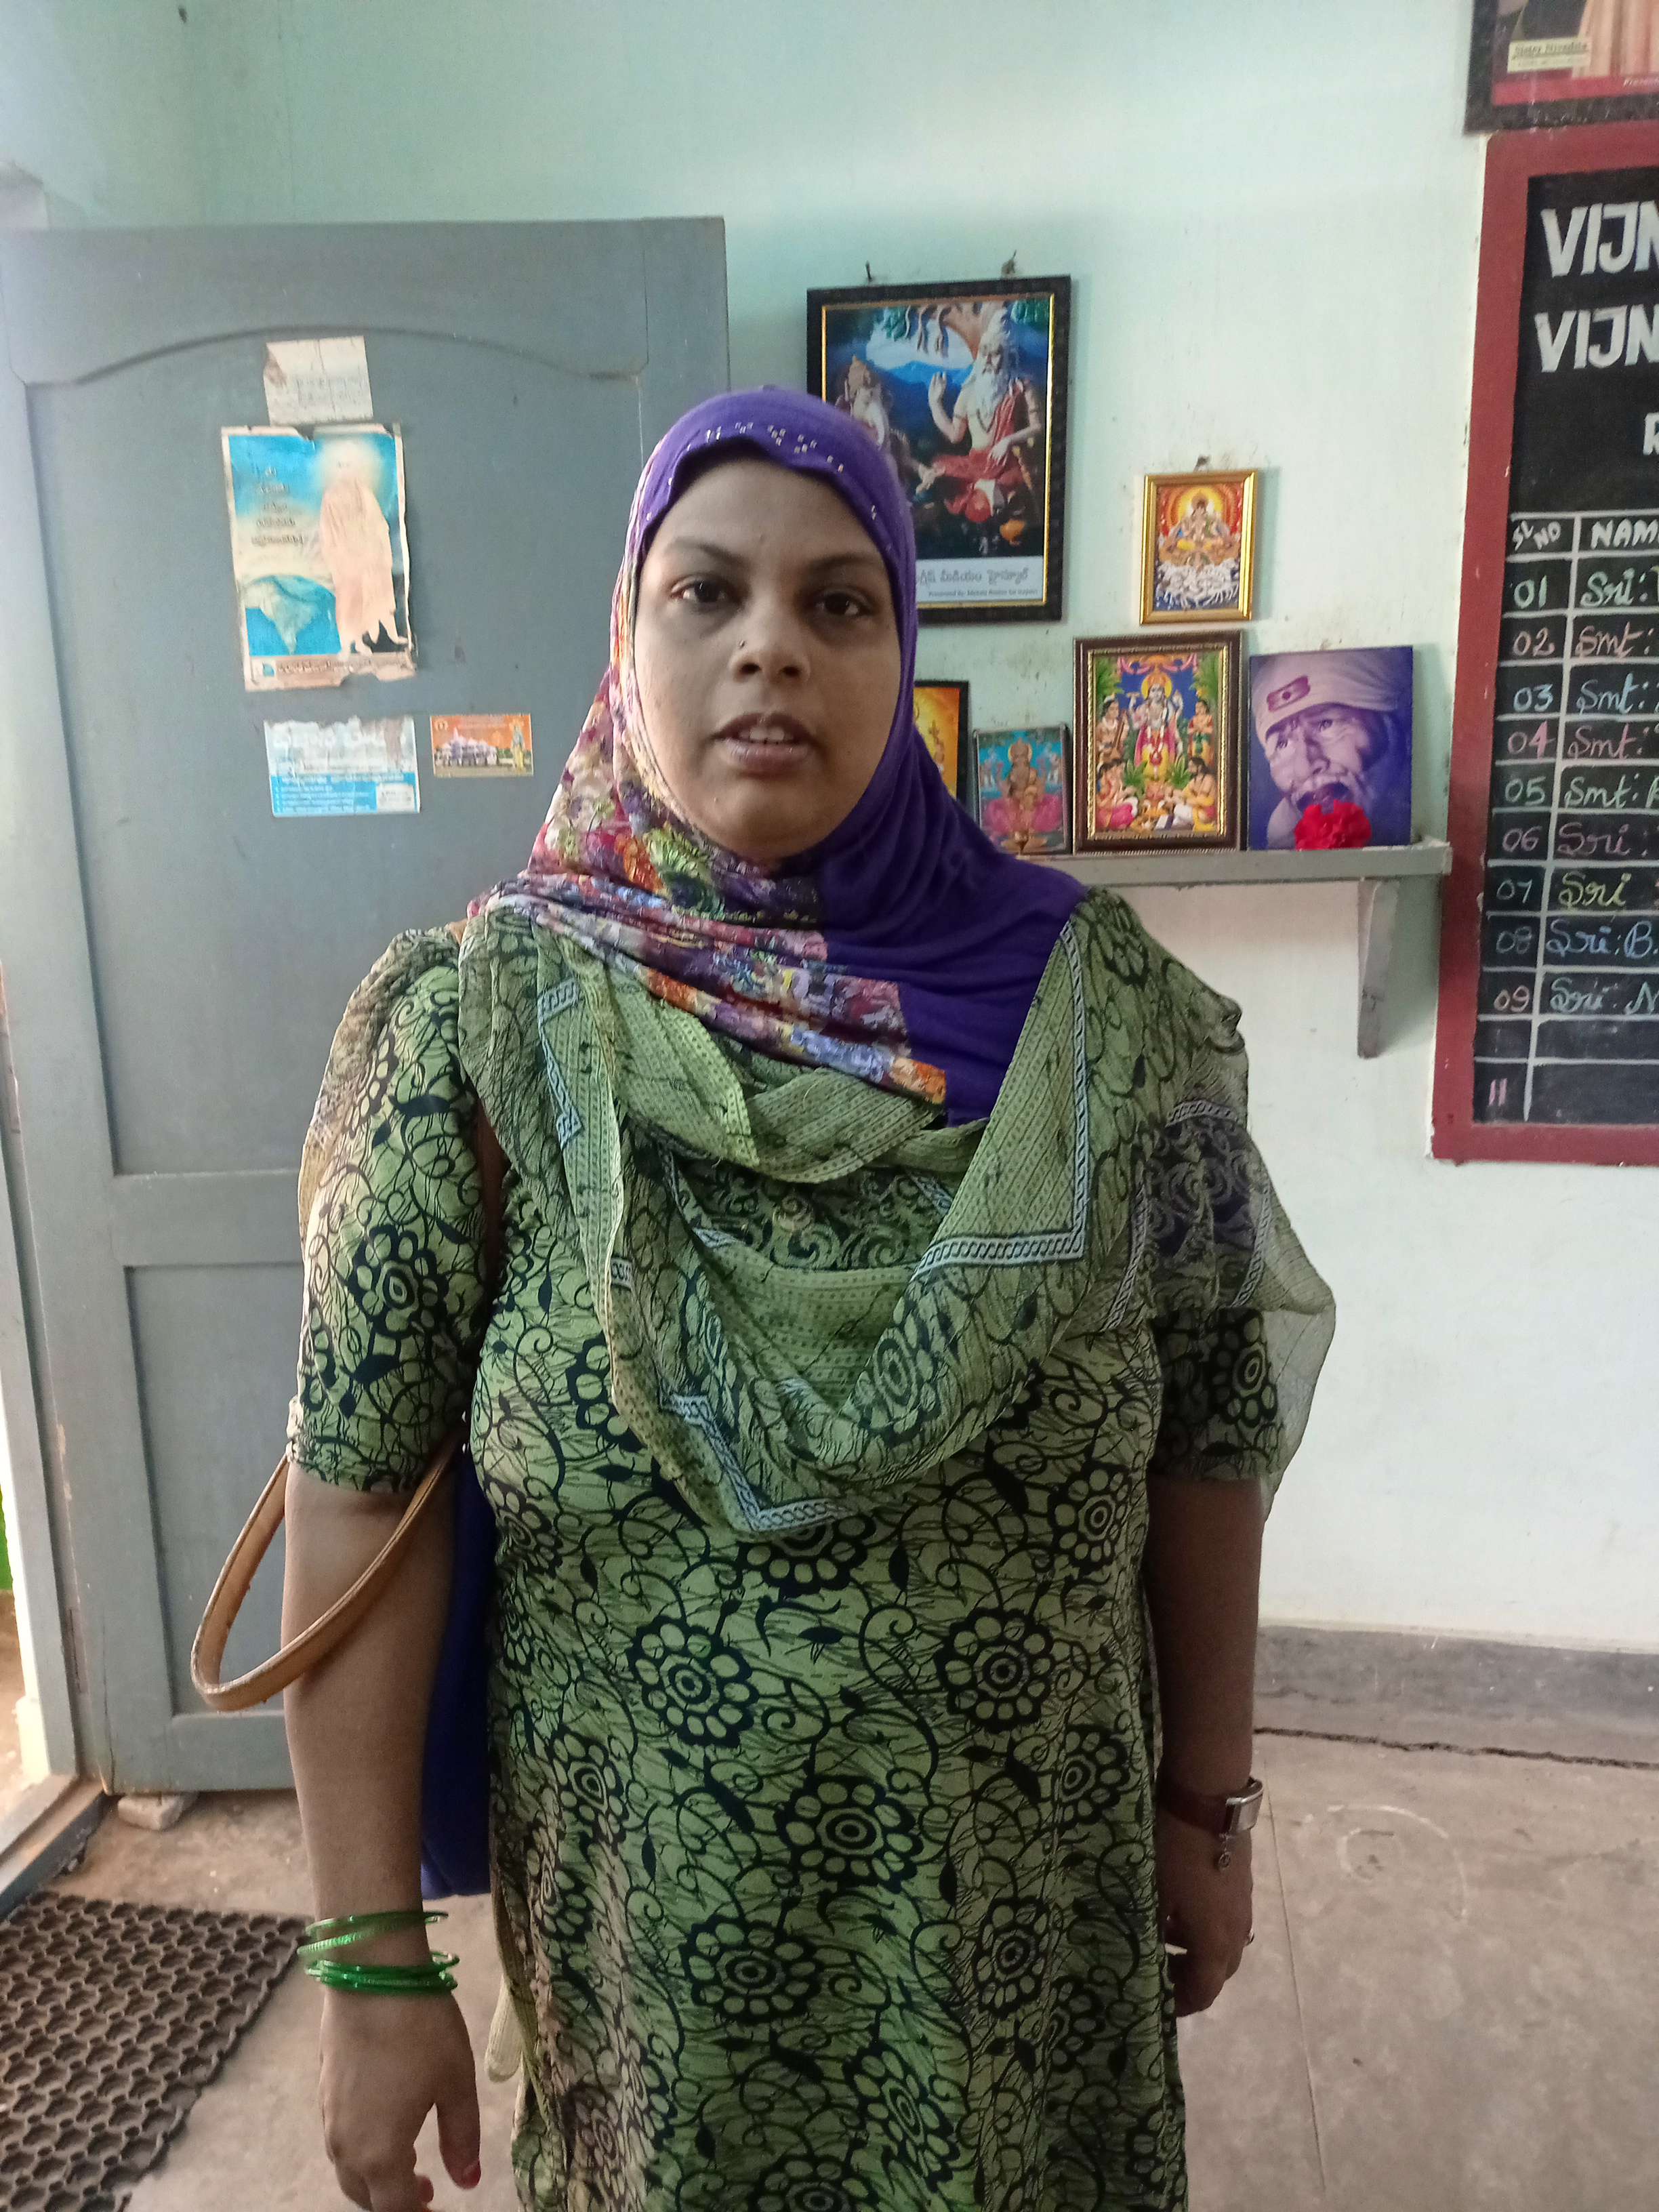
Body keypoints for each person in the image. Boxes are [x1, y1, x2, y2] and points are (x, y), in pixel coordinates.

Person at [282, 388, 1334, 2212]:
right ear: (629, 640)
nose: (769, 645)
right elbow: (358, 1493)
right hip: (661, 1993)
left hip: (1028, 1955)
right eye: (706, 593)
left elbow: (1211, 1441)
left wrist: (1207, 1806)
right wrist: (371, 1964)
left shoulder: (1108, 1026)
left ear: (900, 656)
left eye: (837, 602)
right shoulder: (481, 1032)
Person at [1250, 649, 1412, 851]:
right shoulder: (1281, 838)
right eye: (1282, 744)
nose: (1305, 768)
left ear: (1393, 727)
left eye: (1325, 724)